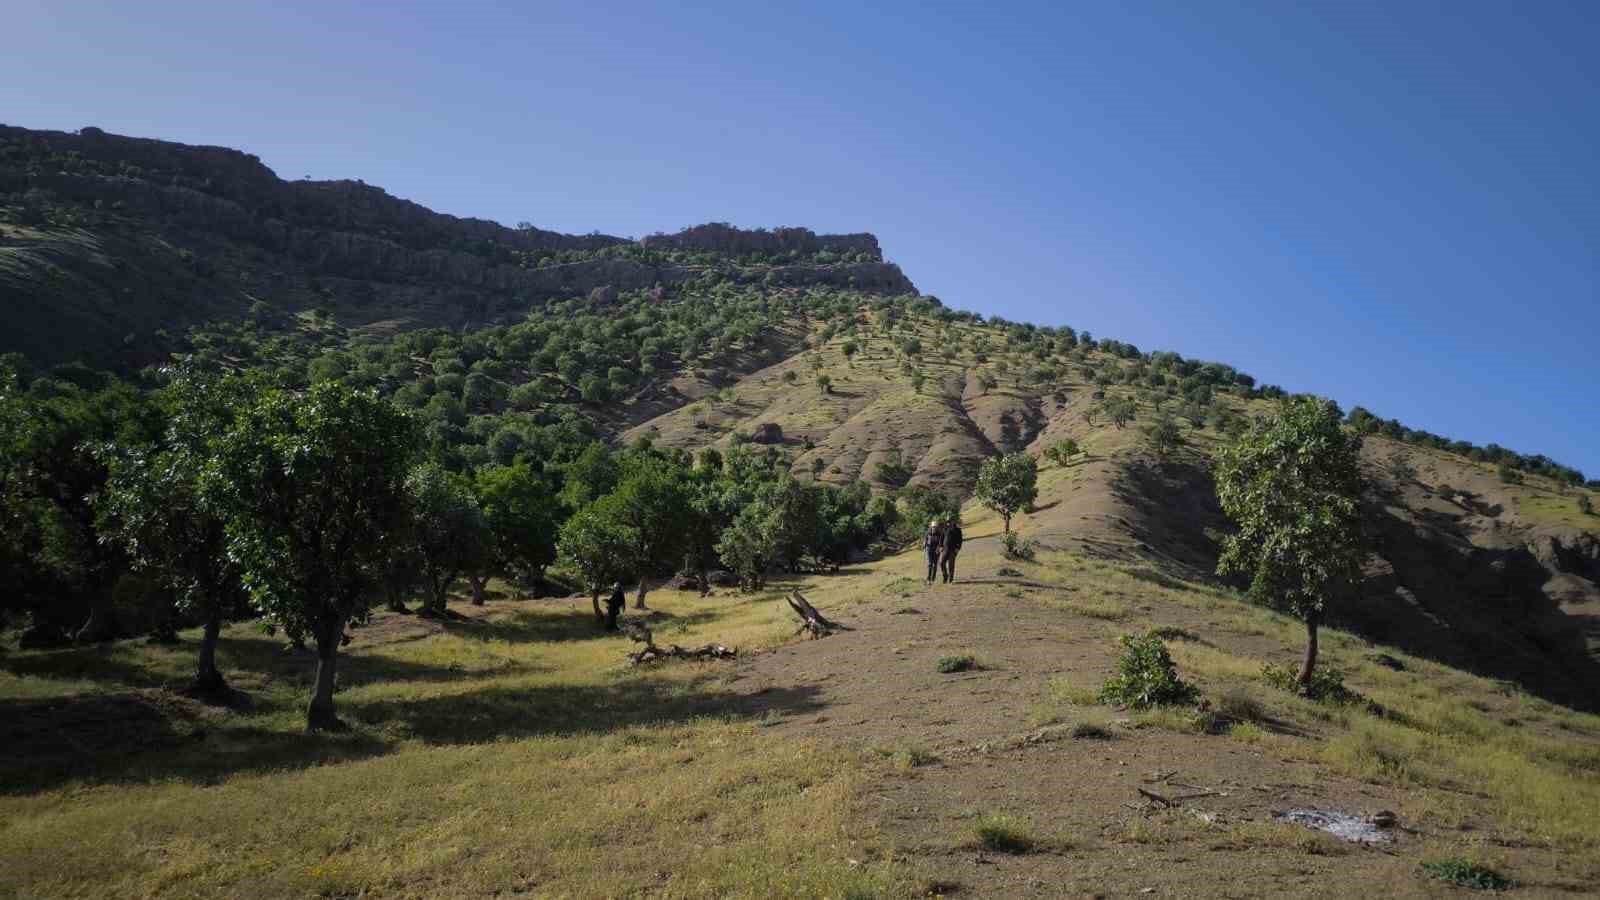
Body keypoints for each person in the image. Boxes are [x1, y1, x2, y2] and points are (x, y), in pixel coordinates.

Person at [940, 518, 964, 583]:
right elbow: (941, 538)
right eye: (949, 522)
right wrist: (941, 546)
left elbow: (960, 540)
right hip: (945, 549)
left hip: (953, 550)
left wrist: (958, 548)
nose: (950, 523)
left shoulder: (958, 530)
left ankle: (951, 579)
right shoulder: (945, 529)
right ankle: (945, 576)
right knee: (942, 563)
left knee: (951, 564)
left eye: (952, 522)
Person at [924, 518, 945, 583]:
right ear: (931, 527)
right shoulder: (928, 532)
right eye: (933, 527)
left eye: (935, 527)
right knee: (930, 564)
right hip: (929, 549)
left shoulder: (940, 534)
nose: (934, 528)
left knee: (935, 565)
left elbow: (941, 542)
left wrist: (939, 548)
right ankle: (928, 578)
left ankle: (933, 579)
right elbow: (925, 540)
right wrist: (924, 547)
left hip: (936, 550)